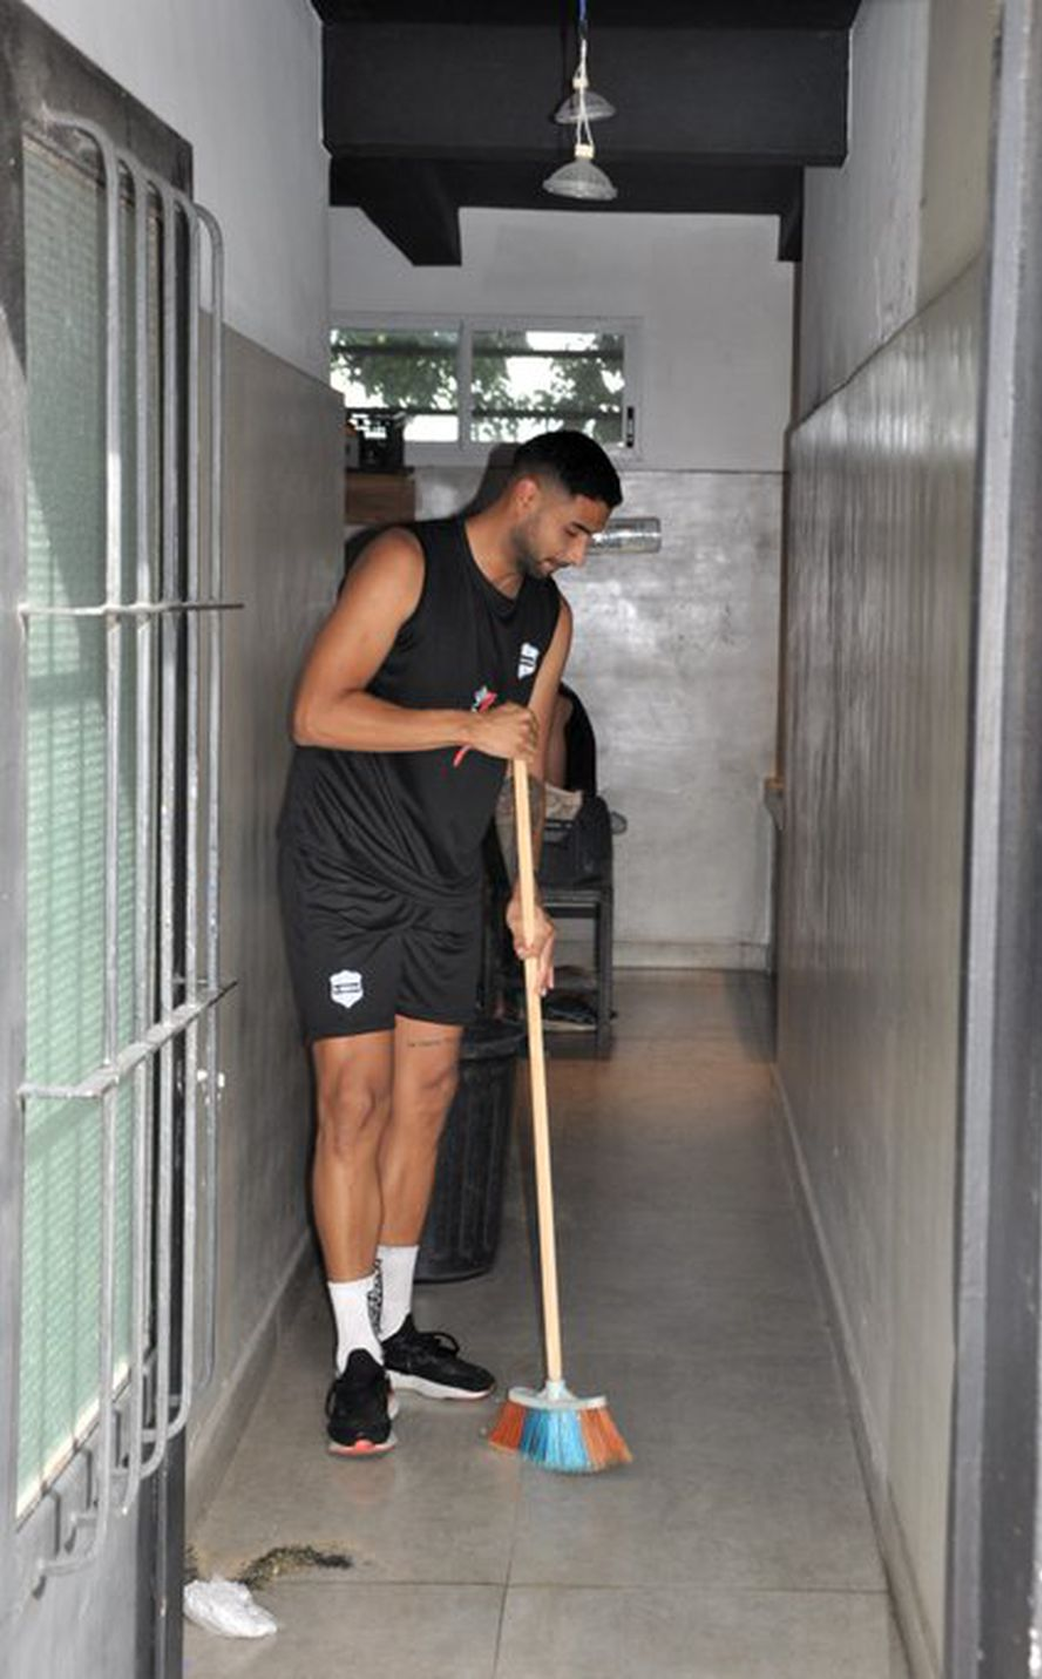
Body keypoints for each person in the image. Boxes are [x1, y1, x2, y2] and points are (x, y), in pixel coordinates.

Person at [277, 430, 622, 1455]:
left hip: (443, 885)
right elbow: (316, 712)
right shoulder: (405, 562)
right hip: (343, 875)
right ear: (526, 497)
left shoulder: (549, 618)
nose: (577, 554)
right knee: (355, 1101)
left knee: (426, 1100)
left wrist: (525, 896)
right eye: (574, 531)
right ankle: (355, 1355)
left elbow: (524, 769)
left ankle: (395, 1328)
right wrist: (461, 726)